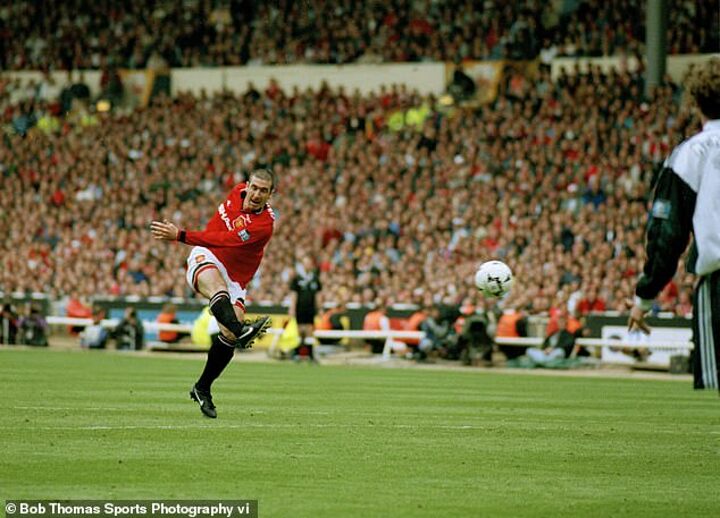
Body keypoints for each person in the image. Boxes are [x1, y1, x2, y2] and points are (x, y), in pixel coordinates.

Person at [150, 168, 277, 418]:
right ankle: (242, 331)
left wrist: (180, 235)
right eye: (254, 187)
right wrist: (183, 238)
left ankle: (202, 388)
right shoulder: (236, 192)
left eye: (263, 191)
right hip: (206, 254)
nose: (256, 194)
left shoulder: (263, 226)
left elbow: (226, 239)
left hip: (236, 279)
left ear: (270, 195)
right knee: (219, 292)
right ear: (247, 185)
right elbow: (214, 240)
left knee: (228, 334)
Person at [628, 58, 720, 392]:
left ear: (694, 100)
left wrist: (644, 297)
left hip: (717, 283)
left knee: (715, 392)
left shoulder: (691, 154)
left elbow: (667, 236)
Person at [289, 255, 322, 362]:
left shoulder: (315, 278)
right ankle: (298, 353)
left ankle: (310, 353)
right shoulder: (297, 278)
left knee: (309, 330)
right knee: (300, 330)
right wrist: (292, 308)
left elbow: (318, 295)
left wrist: (320, 308)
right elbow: (294, 294)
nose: (307, 265)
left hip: (310, 308)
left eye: (309, 263)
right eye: (306, 263)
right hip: (300, 308)